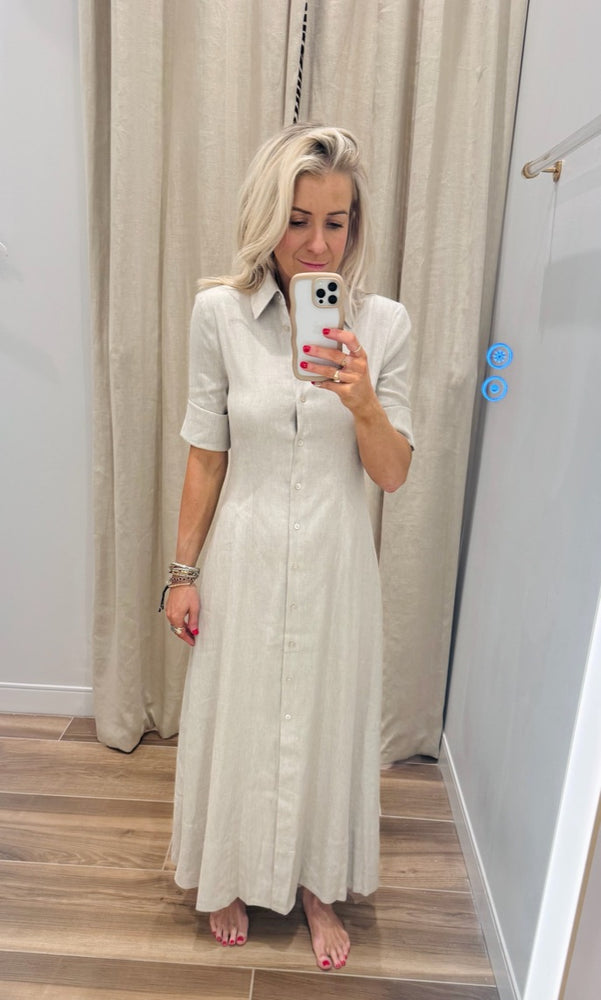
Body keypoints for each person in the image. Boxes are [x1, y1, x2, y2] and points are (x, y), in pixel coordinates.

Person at [163, 123, 414, 972]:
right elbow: (206, 452)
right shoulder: (219, 315)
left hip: (337, 563)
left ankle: (316, 882)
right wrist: (181, 574)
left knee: (325, 717)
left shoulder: (383, 325)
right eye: (297, 220)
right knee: (236, 713)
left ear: (355, 225)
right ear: (267, 219)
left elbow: (391, 475)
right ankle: (226, 873)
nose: (316, 244)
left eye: (335, 222)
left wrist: (363, 400)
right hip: (247, 550)